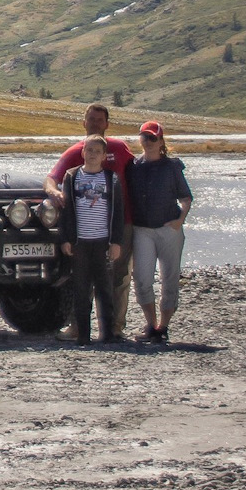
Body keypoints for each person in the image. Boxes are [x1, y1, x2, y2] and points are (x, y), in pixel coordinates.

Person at [44, 103, 135, 338]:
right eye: (90, 119)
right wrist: (54, 193)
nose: (94, 123)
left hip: (120, 222)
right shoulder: (76, 152)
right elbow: (52, 178)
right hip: (84, 229)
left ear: (107, 123)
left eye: (99, 119)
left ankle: (114, 328)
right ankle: (79, 327)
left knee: (119, 276)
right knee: (81, 279)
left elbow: (138, 174)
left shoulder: (119, 148)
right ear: (83, 122)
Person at [126, 121, 192, 344]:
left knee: (170, 277)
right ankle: (151, 324)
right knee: (142, 279)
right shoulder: (132, 166)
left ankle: (163, 326)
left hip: (168, 228)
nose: (148, 141)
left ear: (161, 141)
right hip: (142, 228)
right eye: (144, 137)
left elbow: (185, 197)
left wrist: (180, 220)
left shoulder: (172, 167)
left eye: (152, 138)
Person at [58, 136, 126, 344]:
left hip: (102, 241)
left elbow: (118, 212)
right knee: (81, 288)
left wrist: (116, 242)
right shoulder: (72, 177)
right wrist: (66, 239)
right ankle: (83, 335)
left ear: (105, 156)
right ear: (83, 152)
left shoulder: (110, 178)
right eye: (89, 150)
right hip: (80, 242)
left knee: (105, 288)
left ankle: (107, 333)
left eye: (98, 151)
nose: (93, 154)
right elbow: (66, 211)